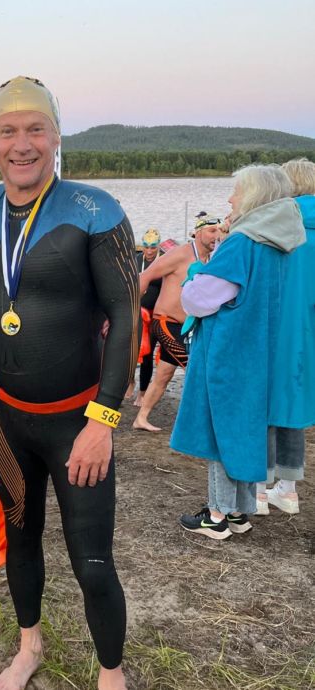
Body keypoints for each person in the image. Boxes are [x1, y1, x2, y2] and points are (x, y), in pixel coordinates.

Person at [0, 76, 138, 690]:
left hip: (77, 422)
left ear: (57, 137)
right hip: (8, 419)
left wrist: (104, 420)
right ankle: (29, 647)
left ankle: (110, 673)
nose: (22, 144)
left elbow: (127, 321)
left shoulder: (97, 211)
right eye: (8, 131)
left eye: (35, 129)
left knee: (91, 562)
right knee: (21, 540)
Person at [170, 164, 305, 539]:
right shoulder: (284, 243)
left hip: (229, 350)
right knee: (246, 429)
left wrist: (198, 269)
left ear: (255, 196)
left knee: (221, 431)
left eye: (237, 192)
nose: (231, 199)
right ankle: (240, 512)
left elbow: (199, 300)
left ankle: (217, 515)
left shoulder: (243, 242)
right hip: (261, 348)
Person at [255, 157, 315, 515]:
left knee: (262, 406)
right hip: (308, 333)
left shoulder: (279, 225)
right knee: (295, 403)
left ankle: (259, 490)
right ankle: (288, 489)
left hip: (274, 327)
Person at [132, 216, 222, 431]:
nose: (216, 235)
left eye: (218, 231)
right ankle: (204, 422)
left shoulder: (211, 258)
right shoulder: (180, 254)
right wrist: (129, 311)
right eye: (211, 230)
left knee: (164, 374)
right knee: (196, 366)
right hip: (165, 322)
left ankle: (141, 418)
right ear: (197, 232)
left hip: (186, 327)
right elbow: (145, 276)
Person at [131, 227, 162, 406]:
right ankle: (130, 382)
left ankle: (142, 392)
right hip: (136, 311)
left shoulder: (163, 261)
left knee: (147, 351)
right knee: (130, 350)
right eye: (146, 247)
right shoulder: (136, 260)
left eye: (153, 247)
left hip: (153, 315)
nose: (149, 251)